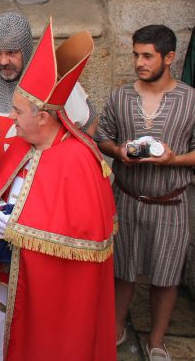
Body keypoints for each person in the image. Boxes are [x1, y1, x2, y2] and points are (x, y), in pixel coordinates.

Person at [0, 23, 117, 361]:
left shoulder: (79, 160)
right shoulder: (23, 145)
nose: (11, 117)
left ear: (44, 118)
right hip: (4, 283)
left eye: (19, 111)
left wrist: (17, 229)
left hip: (51, 300)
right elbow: (2, 194)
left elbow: (84, 236)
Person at [95, 24, 195, 361]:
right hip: (126, 198)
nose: (139, 62)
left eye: (147, 56)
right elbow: (102, 136)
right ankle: (116, 329)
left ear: (169, 57)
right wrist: (119, 151)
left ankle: (156, 341)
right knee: (122, 271)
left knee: (166, 277)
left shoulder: (191, 100)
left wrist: (174, 159)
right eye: (136, 54)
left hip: (173, 202)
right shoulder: (121, 97)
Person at [0, 11, 95, 175]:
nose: (3, 61)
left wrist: (64, 167)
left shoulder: (50, 79)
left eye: (11, 52)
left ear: (26, 49)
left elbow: (88, 124)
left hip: (36, 187)